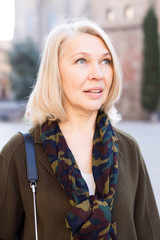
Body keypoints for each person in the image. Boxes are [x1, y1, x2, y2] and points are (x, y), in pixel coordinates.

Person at [0, 19, 160, 240]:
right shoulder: (19, 153)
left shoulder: (128, 149)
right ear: (55, 73)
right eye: (82, 60)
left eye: (106, 61)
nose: (98, 73)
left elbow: (150, 232)